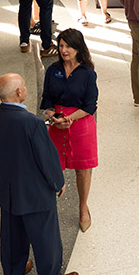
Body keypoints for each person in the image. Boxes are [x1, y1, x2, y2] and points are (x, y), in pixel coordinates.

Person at [0, 74, 78, 275]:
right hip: (35, 192)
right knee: (45, 236)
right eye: (23, 86)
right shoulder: (31, 123)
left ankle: (14, 271)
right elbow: (46, 158)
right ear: (19, 93)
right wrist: (57, 182)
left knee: (12, 232)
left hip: (7, 188)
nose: (25, 88)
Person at [40, 29, 99, 232]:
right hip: (56, 123)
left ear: (78, 48)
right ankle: (47, 211)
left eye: (68, 46)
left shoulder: (88, 73)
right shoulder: (52, 70)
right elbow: (46, 99)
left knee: (82, 169)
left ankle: (83, 207)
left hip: (81, 125)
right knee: (51, 167)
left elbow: (91, 105)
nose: (63, 50)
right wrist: (52, 117)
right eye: (61, 46)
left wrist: (69, 119)